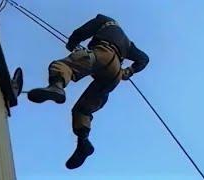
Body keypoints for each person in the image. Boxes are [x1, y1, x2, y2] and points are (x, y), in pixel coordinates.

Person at [27, 14, 149, 169]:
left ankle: (57, 86)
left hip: (102, 53)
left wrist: (72, 42)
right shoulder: (128, 44)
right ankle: (83, 142)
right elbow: (144, 58)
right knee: (83, 110)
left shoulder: (105, 22)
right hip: (115, 74)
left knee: (65, 66)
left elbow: (84, 30)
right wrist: (128, 72)